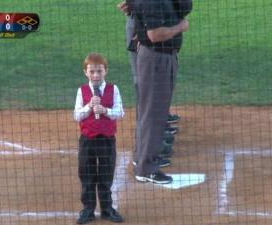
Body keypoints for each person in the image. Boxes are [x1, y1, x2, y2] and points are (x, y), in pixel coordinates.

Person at [129, 0, 190, 184]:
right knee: (153, 115)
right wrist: (180, 27)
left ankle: (143, 157)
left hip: (161, 57)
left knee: (154, 113)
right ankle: (146, 168)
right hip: (155, 59)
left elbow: (185, 6)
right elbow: (154, 34)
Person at [117, 0, 181, 165]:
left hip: (157, 20)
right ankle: (145, 152)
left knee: (156, 95)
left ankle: (157, 137)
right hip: (144, 29)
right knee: (146, 94)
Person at [74, 53, 125, 224]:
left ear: (106, 71)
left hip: (107, 140)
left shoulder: (114, 89)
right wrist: (89, 106)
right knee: (87, 175)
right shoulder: (82, 91)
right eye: (92, 71)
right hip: (88, 140)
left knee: (105, 174)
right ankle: (88, 210)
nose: (96, 75)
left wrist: (105, 111)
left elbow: (120, 112)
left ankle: (106, 209)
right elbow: (77, 115)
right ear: (85, 72)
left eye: (99, 71)